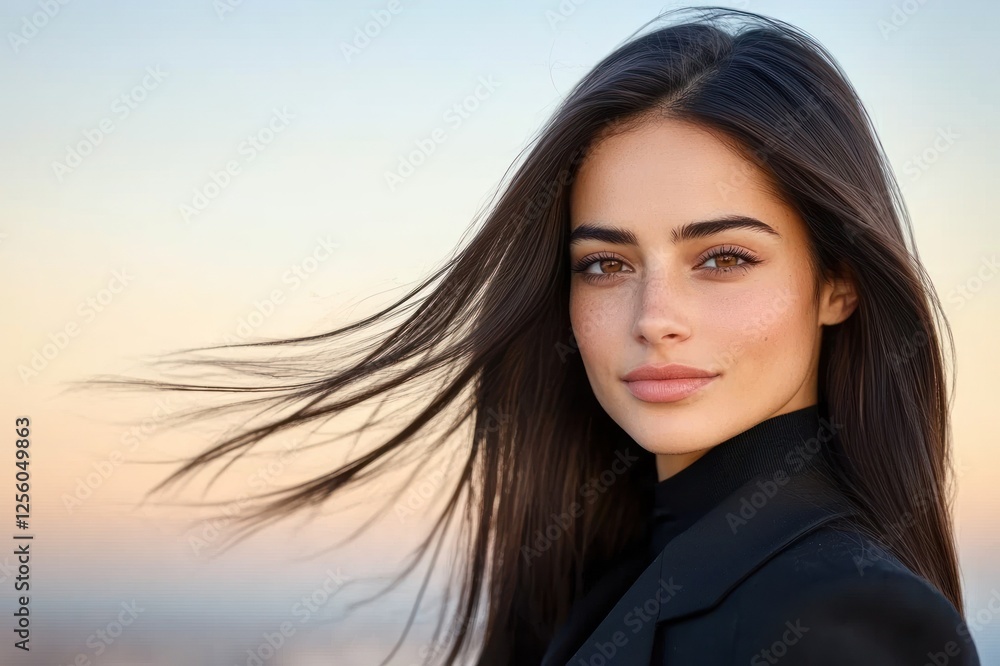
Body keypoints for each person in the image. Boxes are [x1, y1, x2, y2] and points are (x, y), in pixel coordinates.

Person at [87, 6, 981, 665]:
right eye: (606, 264)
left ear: (838, 282)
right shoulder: (608, 580)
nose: (652, 317)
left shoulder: (854, 617)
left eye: (722, 259)